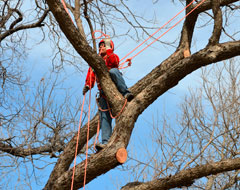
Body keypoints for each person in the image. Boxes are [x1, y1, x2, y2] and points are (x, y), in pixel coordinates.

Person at [82, 38, 134, 151]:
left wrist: (109, 51)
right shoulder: (95, 62)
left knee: (113, 71)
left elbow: (114, 63)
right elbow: (91, 74)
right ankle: (105, 142)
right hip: (103, 93)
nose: (101, 48)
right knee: (104, 116)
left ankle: (126, 92)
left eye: (103, 46)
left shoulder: (112, 56)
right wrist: (87, 85)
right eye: (100, 46)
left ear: (109, 47)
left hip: (115, 86)